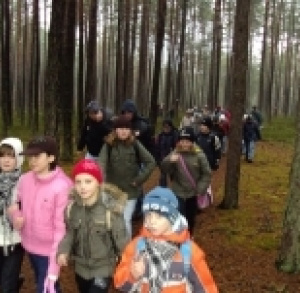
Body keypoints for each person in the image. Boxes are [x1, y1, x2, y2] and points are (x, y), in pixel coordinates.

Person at [114, 186, 218, 292]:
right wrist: (132, 275)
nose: (152, 221)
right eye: (148, 215)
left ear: (172, 218)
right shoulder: (137, 247)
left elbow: (206, 288)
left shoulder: (188, 251)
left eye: (159, 216)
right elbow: (120, 284)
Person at [8, 136, 72, 293]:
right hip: (30, 244)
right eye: (30, 156)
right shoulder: (25, 179)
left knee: (46, 286)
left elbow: (61, 228)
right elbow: (15, 205)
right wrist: (16, 216)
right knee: (44, 282)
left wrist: (54, 266)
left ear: (51, 157)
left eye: (37, 156)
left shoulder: (62, 187)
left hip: (50, 250)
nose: (32, 160)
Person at [57, 159, 129, 293]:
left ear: (98, 183)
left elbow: (121, 241)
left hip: (104, 268)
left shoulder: (111, 210)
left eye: (88, 181)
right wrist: (63, 251)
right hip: (80, 268)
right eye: (78, 182)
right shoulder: (72, 209)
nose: (82, 186)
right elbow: (71, 233)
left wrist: (128, 263)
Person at [99, 116, 156, 238]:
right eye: (120, 128)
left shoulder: (135, 144)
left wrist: (139, 180)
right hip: (111, 191)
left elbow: (151, 162)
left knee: (125, 220)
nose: (123, 131)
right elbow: (101, 164)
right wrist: (99, 180)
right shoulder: (108, 145)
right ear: (115, 130)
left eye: (126, 128)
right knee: (111, 220)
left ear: (130, 130)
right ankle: (112, 248)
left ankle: (126, 250)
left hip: (130, 191)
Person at [161, 127, 211, 235]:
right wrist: (169, 161)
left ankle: (189, 235)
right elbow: (164, 169)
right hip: (178, 191)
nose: (184, 144)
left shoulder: (199, 155)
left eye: (187, 141)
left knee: (190, 217)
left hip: (193, 192)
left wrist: (200, 189)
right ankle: (180, 237)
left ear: (192, 142)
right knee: (179, 217)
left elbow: (206, 174)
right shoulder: (175, 153)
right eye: (182, 141)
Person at [0, 138, 24, 293]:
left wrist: (19, 211)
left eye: (11, 155)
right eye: (2, 155)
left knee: (7, 286)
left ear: (19, 158)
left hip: (14, 242)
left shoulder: (26, 182)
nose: (6, 160)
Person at [155, 119, 178, 187]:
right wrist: (158, 159)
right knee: (162, 178)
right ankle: (163, 191)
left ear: (171, 127)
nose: (166, 128)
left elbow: (177, 148)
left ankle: (176, 191)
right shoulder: (160, 136)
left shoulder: (175, 135)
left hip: (172, 160)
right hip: (163, 160)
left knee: (174, 177)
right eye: (164, 126)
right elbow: (157, 148)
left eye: (167, 127)